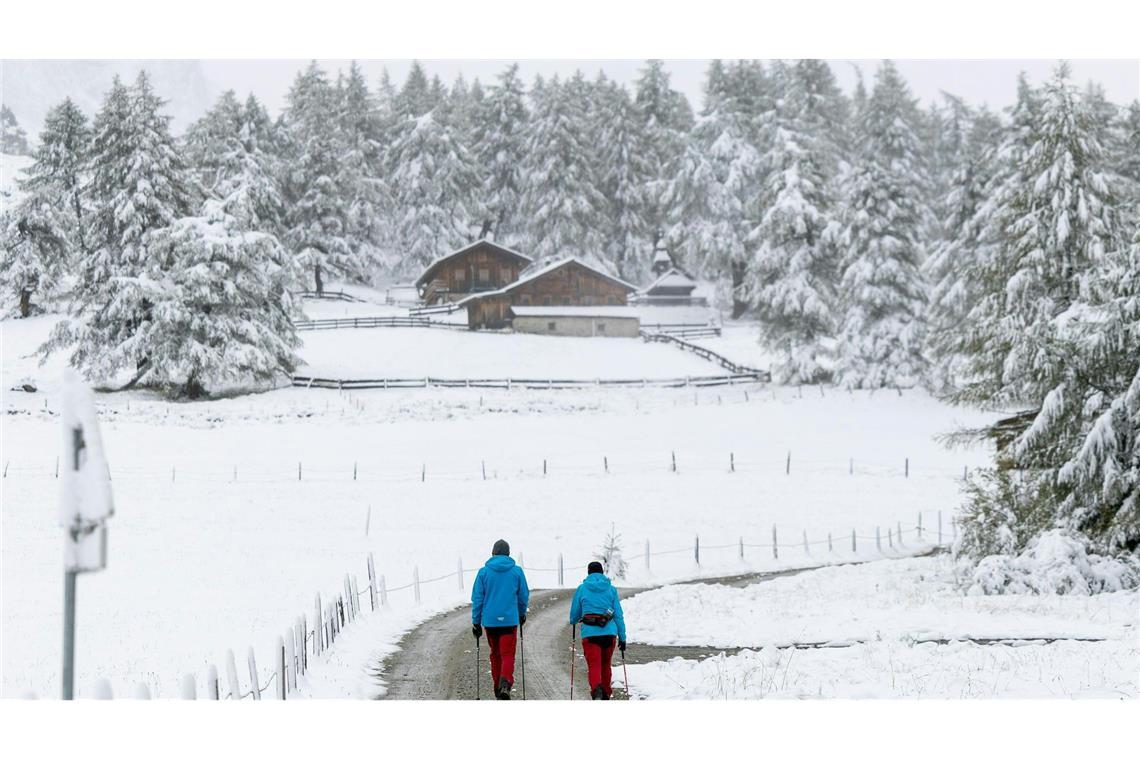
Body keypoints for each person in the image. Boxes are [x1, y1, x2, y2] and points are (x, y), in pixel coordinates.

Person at [471, 539, 529, 699]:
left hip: (490, 622)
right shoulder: (517, 571)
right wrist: (521, 613)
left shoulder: (483, 572)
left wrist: (476, 621)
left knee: (495, 654)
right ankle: (505, 682)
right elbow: (523, 595)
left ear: (493, 553)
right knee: (508, 654)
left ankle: (498, 687)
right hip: (510, 621)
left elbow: (477, 598)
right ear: (508, 554)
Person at [569, 561, 626, 700]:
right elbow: (618, 615)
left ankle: (596, 690)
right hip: (609, 634)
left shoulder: (582, 589)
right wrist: (622, 637)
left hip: (590, 634)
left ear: (588, 573)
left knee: (594, 665)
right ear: (602, 573)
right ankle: (606, 693)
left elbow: (574, 616)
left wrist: (575, 619)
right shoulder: (611, 589)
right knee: (606, 665)